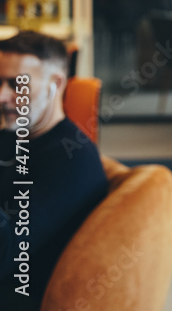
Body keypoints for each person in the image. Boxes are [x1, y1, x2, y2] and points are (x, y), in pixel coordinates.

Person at [0, 31, 107, 311]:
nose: (2, 96)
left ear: (55, 84)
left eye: (17, 84)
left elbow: (7, 256)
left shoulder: (71, 158)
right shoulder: (12, 137)